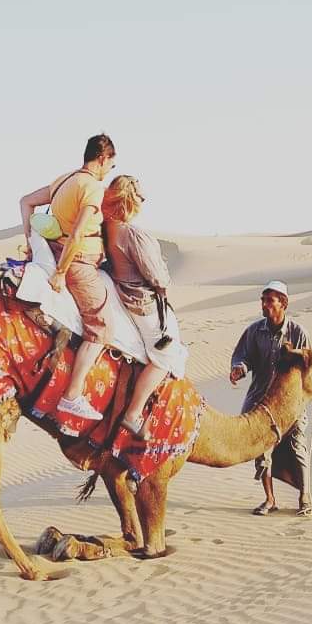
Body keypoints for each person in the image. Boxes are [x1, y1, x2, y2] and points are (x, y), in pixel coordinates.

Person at [19, 133, 117, 420]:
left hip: (52, 249)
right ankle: (72, 395)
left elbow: (25, 201)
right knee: (102, 328)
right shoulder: (93, 187)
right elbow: (77, 233)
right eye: (111, 163)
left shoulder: (64, 180)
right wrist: (61, 272)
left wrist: (28, 239)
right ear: (102, 158)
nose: (111, 169)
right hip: (78, 264)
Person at [101, 175, 189, 435]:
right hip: (142, 303)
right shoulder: (131, 233)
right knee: (166, 356)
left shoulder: (108, 228)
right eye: (139, 194)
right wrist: (164, 283)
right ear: (128, 197)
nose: (143, 199)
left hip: (123, 294)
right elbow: (158, 277)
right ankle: (133, 413)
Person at [230, 280, 311, 515]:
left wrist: (293, 354)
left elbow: (308, 365)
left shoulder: (298, 333)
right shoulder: (255, 331)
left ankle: (304, 497)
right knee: (261, 451)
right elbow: (243, 357)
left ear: (283, 304)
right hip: (261, 401)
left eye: (270, 301)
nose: (264, 305)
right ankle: (270, 499)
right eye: (263, 300)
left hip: (291, 403)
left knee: (297, 446)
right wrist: (239, 368)